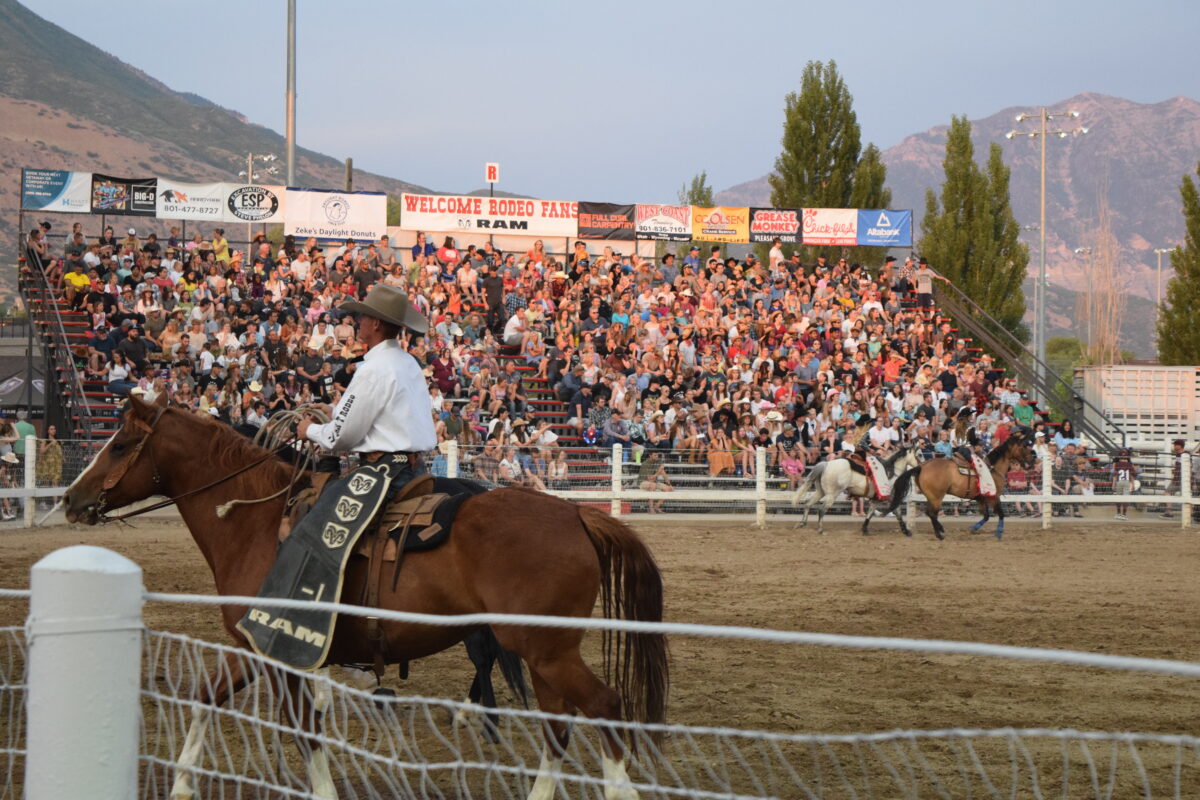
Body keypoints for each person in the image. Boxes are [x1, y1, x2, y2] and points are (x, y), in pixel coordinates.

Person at [296, 283, 437, 492]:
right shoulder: (409, 362)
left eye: (365, 317)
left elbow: (342, 436)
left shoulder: (374, 368)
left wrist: (310, 430)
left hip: (385, 474)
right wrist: (336, 412)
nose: (359, 321)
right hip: (414, 470)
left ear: (376, 324)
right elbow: (389, 418)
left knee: (319, 517)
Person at [1110, 449, 1136, 520]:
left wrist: (1113, 484)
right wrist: (1133, 485)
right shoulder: (1130, 464)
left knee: (1118, 497)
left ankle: (1118, 513)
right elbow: (1132, 476)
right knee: (1126, 498)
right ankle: (1124, 514)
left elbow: (1115, 475)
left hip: (1119, 482)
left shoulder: (1117, 464)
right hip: (1127, 482)